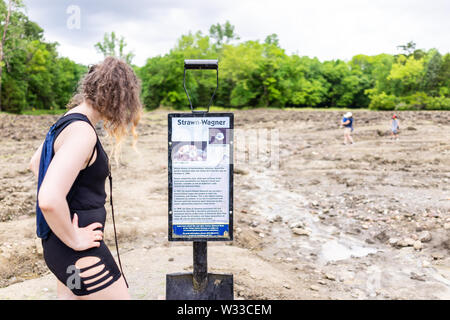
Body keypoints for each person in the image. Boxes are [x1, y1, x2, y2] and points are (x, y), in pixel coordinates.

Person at [28, 57, 143, 300]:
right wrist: (73, 237)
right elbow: (48, 198)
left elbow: (36, 164)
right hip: (76, 249)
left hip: (61, 246)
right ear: (119, 97)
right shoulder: (82, 132)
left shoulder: (68, 120)